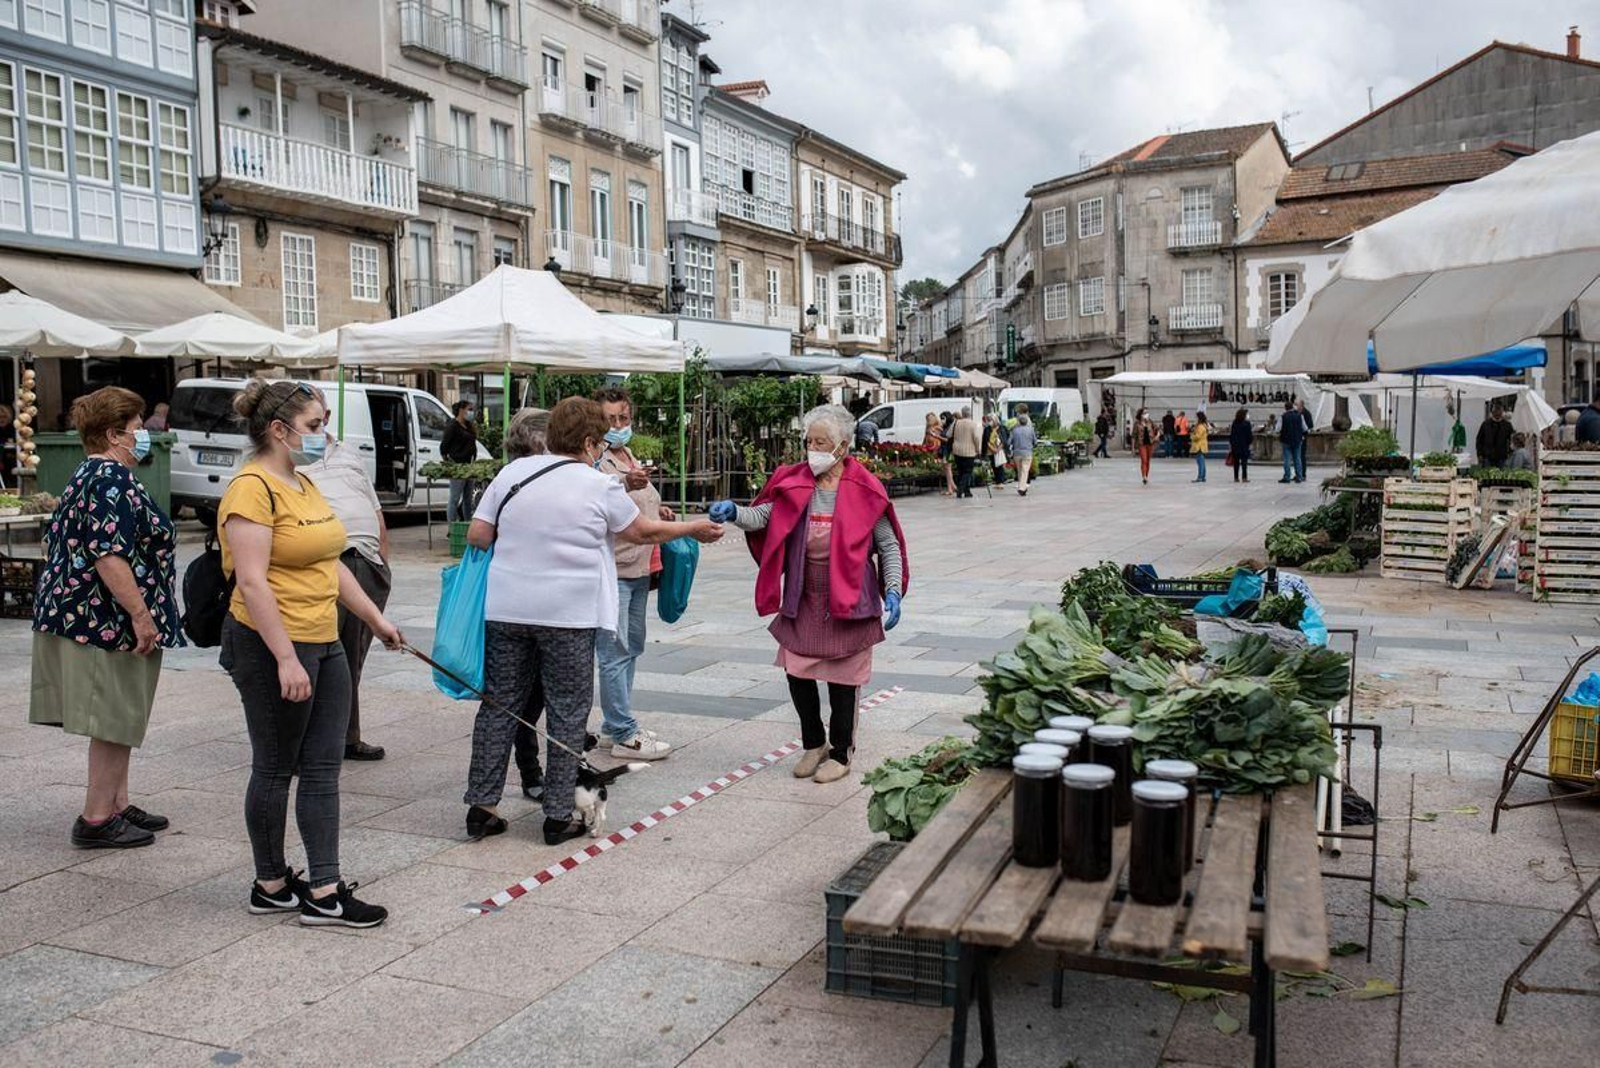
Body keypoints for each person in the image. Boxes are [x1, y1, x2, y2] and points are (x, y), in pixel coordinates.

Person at [462, 398, 723, 846]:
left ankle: (481, 808)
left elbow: (478, 535)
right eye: (600, 439)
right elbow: (640, 531)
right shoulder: (598, 485)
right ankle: (558, 814)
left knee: (499, 705)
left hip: (506, 609)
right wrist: (692, 527)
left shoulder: (512, 474)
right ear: (587, 441)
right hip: (567, 615)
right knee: (566, 709)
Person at [218, 381, 404, 928]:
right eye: (315, 425)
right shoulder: (250, 489)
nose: (323, 436)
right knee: (275, 767)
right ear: (279, 430)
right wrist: (284, 658)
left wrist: (375, 618)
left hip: (324, 638)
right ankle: (270, 881)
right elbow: (252, 582)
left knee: (323, 768)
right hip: (269, 641)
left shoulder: (301, 482)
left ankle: (324, 889)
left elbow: (332, 562)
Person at [707, 405, 908, 785]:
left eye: (821, 442)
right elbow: (763, 516)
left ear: (843, 447)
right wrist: (733, 511)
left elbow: (888, 544)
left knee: (844, 679)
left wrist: (893, 589)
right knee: (797, 670)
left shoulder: (865, 488)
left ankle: (840, 751)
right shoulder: (793, 480)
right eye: (809, 441)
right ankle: (813, 743)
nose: (812, 449)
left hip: (850, 595)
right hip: (805, 592)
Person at [30, 387, 182, 849]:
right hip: (104, 619)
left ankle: (117, 802)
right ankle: (97, 818)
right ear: (115, 434)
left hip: (86, 614)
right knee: (114, 716)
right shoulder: (109, 479)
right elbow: (108, 554)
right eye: (137, 429)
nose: (145, 437)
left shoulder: (93, 474)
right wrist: (141, 615)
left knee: (121, 712)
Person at [305, 408, 391, 763]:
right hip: (325, 564)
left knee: (352, 656)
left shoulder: (349, 453)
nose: (319, 423)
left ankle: (347, 736)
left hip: (365, 563)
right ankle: (310, 743)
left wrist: (383, 562)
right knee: (322, 658)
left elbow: (375, 508)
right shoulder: (290, 460)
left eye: (321, 415)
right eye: (309, 420)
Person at [593, 387, 674, 761]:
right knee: (614, 650)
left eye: (623, 418)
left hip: (641, 565)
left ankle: (613, 726)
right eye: (610, 419)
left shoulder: (627, 452)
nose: (618, 426)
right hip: (615, 567)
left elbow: (639, 501)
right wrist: (627, 483)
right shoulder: (596, 459)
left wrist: (662, 512)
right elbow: (599, 493)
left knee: (633, 647)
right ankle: (624, 730)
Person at [441, 400, 478, 522]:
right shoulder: (452, 426)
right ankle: (451, 527)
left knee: (468, 499)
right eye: (469, 409)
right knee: (455, 498)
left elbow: (472, 443)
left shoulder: (468, 426)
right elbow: (444, 447)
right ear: (461, 410)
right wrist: (450, 463)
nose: (471, 412)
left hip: (470, 466)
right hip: (458, 467)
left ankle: (467, 525)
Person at [950, 406, 981, 499]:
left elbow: (949, 434)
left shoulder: (956, 423)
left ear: (962, 413)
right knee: (967, 472)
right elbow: (976, 437)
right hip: (969, 451)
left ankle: (967, 492)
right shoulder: (973, 424)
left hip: (957, 450)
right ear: (970, 414)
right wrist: (978, 448)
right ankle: (960, 489)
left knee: (961, 472)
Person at [1010, 405, 1038, 496]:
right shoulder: (1031, 429)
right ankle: (1022, 488)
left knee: (1019, 470)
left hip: (1017, 453)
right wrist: (1032, 445)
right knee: (1025, 470)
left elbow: (1009, 441)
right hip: (1027, 452)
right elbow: (1035, 441)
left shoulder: (1014, 430)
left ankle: (1021, 487)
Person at [1476, 402, 1514, 467]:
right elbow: (1479, 440)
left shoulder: (1507, 425)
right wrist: (1479, 454)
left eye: (1499, 411)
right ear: (1492, 412)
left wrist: (1510, 452)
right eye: (1495, 411)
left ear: (1502, 412)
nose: (1497, 413)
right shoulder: (1486, 424)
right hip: (1487, 456)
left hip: (1502, 456)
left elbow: (1512, 439)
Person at [1278, 400, 1304, 483]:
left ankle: (1287, 476)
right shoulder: (1299, 416)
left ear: (1285, 408)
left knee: (1287, 459)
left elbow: (1277, 428)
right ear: (1292, 407)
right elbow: (1305, 428)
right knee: (1297, 458)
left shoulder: (1283, 416)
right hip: (1297, 439)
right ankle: (1299, 476)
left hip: (1286, 440)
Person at [1133, 408, 1157, 484]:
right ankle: (1144, 476)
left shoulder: (1150, 422)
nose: (1146, 414)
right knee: (1144, 460)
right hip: (1141, 443)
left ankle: (1146, 475)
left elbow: (1157, 430)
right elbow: (1133, 436)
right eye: (1144, 413)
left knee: (1148, 461)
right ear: (1140, 414)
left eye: (1147, 412)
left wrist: (1156, 437)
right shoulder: (1137, 423)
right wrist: (1133, 447)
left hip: (1150, 443)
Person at [982, 413, 1008, 485]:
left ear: (995, 420)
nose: (989, 421)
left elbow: (1004, 440)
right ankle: (997, 481)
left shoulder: (1002, 428)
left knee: (999, 465)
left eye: (990, 420)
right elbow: (985, 440)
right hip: (990, 450)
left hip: (999, 450)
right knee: (994, 465)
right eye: (988, 420)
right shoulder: (987, 429)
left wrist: (998, 449)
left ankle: (1000, 481)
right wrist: (992, 449)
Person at [1230, 408, 1254, 483]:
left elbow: (1232, 435)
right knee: (1244, 463)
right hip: (1244, 446)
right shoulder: (1247, 423)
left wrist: (1232, 444)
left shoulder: (1234, 423)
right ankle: (1244, 477)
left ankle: (1236, 477)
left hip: (1235, 446)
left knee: (1236, 463)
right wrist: (1249, 443)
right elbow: (1249, 435)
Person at [1293, 398, 1312, 481]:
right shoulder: (1296, 413)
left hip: (1302, 437)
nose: (1296, 406)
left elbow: (1310, 425)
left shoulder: (1306, 413)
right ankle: (1298, 473)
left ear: (1301, 405)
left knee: (1301, 456)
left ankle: (1303, 474)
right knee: (1296, 456)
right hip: (1296, 437)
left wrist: (1303, 430)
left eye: (1297, 405)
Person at [937, 411, 957, 496]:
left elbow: (948, 440)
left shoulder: (950, 427)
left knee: (948, 469)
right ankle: (953, 487)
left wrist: (937, 436)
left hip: (948, 450)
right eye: (941, 418)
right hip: (944, 450)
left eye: (943, 418)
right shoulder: (945, 427)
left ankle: (951, 488)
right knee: (947, 469)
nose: (941, 420)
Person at [1191, 411, 1210, 483]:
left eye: (1196, 417)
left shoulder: (1200, 426)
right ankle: (1203, 476)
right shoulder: (1204, 425)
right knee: (1202, 462)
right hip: (1202, 445)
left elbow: (1198, 436)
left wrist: (1192, 436)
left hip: (1199, 446)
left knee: (1200, 462)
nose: (1195, 419)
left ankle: (1200, 477)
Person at [0, 403, 15, 487]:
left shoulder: (12, 429)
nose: (1, 419)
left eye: (4, 417)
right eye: (0, 417)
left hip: (11, 458)